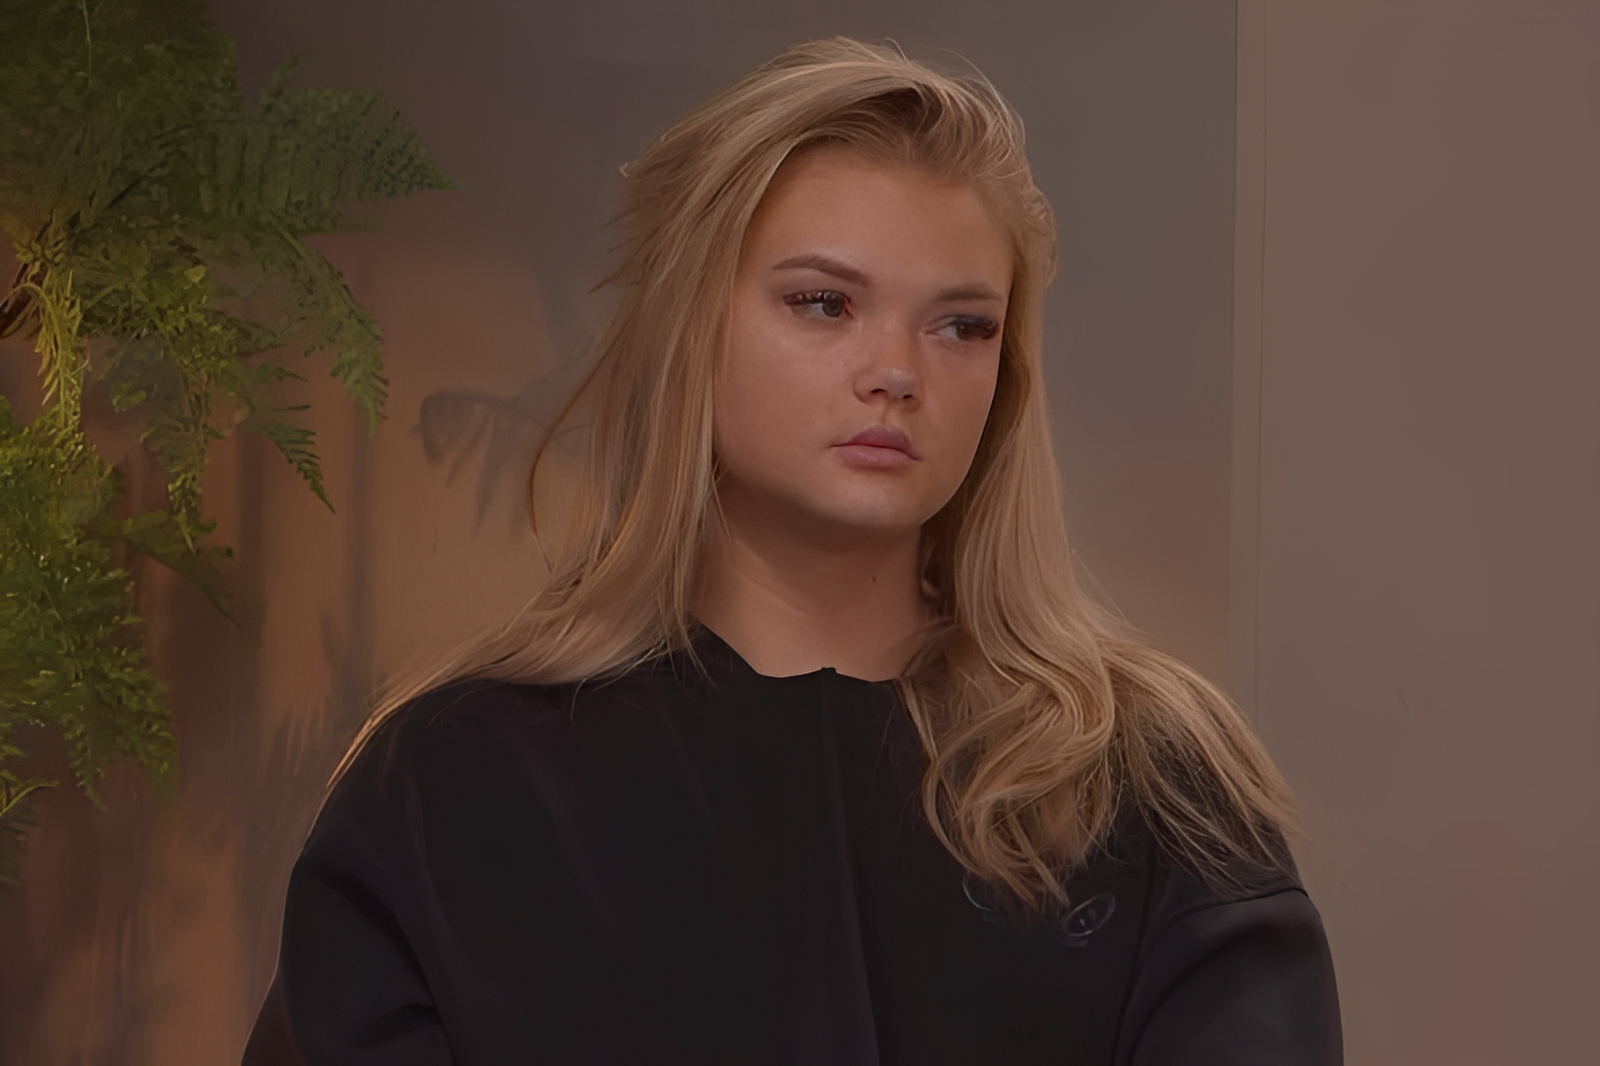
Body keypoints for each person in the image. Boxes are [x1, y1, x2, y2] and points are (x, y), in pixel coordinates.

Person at [244, 37, 1341, 1065]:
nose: (896, 371)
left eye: (962, 325)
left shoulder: (1146, 784)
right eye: (823, 304)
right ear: (689, 329)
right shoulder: (456, 783)